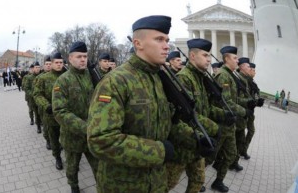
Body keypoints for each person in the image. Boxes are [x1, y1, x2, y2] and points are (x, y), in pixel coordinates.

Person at [87, 15, 175, 193]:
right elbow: (101, 140)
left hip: (156, 181)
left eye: (167, 40)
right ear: (138, 43)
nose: (167, 46)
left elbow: (165, 122)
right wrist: (159, 151)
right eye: (159, 39)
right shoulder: (116, 81)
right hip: (123, 185)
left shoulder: (158, 79)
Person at [167, 38, 221, 193]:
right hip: (185, 144)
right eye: (205, 55)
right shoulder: (185, 77)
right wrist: (213, 128)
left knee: (198, 180)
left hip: (199, 141)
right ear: (192, 56)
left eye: (209, 56)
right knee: (167, 184)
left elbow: (204, 108)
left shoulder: (200, 77)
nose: (209, 59)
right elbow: (186, 115)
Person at [52, 41, 99, 193]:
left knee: (100, 168)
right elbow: (60, 111)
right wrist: (85, 127)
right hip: (72, 136)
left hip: (93, 135)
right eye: (79, 56)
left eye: (85, 56)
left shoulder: (92, 76)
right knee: (72, 168)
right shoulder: (63, 81)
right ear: (70, 59)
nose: (83, 59)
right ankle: (74, 187)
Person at [210, 46, 254, 192]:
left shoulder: (230, 75)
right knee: (210, 156)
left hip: (230, 123)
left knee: (231, 154)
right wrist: (244, 111)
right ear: (227, 58)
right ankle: (199, 179)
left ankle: (218, 181)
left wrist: (247, 103)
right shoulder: (223, 75)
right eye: (235, 58)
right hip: (221, 123)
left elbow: (234, 99)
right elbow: (225, 101)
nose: (237, 60)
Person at [34, 53, 64, 170]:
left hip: (66, 116)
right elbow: (37, 94)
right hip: (51, 116)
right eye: (56, 62)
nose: (59, 65)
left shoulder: (67, 76)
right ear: (51, 64)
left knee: (66, 138)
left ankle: (70, 158)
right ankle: (57, 157)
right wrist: (46, 106)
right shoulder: (43, 78)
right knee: (54, 140)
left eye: (61, 63)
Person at [33, 56, 52, 149]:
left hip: (55, 106)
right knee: (46, 125)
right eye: (46, 64)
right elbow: (36, 93)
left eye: (50, 64)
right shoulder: (40, 78)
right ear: (43, 66)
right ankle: (48, 140)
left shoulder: (59, 76)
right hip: (44, 107)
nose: (48, 66)